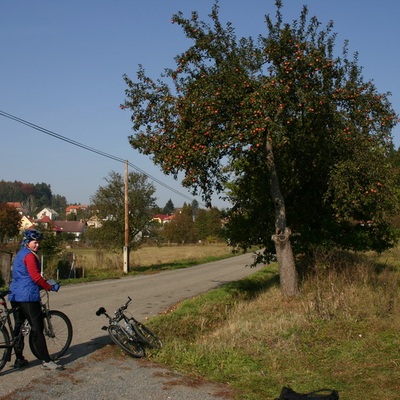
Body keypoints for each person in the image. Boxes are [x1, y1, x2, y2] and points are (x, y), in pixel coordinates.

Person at [9, 229, 64, 371]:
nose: (37, 245)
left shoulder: (20, 254)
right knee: (37, 329)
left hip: (16, 294)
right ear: (27, 242)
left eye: (39, 242)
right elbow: (36, 277)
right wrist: (49, 287)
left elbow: (24, 276)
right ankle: (46, 361)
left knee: (19, 327)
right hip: (27, 296)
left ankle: (19, 359)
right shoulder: (29, 256)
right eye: (35, 242)